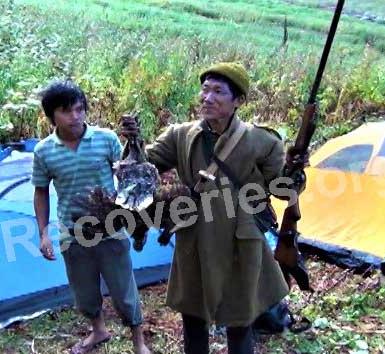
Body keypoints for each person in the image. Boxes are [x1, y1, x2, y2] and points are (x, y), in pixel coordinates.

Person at [121, 62, 292, 354]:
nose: (208, 98)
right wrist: (133, 143)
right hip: (194, 237)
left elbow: (282, 188)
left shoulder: (261, 141)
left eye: (218, 92)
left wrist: (296, 173)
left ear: (238, 101)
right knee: (193, 317)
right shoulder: (180, 134)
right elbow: (140, 170)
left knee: (240, 321)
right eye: (205, 90)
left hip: (240, 239)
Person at [32, 80, 151, 354]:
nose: (75, 117)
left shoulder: (106, 139)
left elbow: (130, 172)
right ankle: (98, 332)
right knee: (84, 291)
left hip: (110, 227)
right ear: (52, 116)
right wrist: (43, 232)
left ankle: (139, 342)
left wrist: (134, 144)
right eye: (66, 111)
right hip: (72, 231)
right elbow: (40, 192)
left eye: (79, 109)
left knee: (124, 291)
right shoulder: (44, 151)